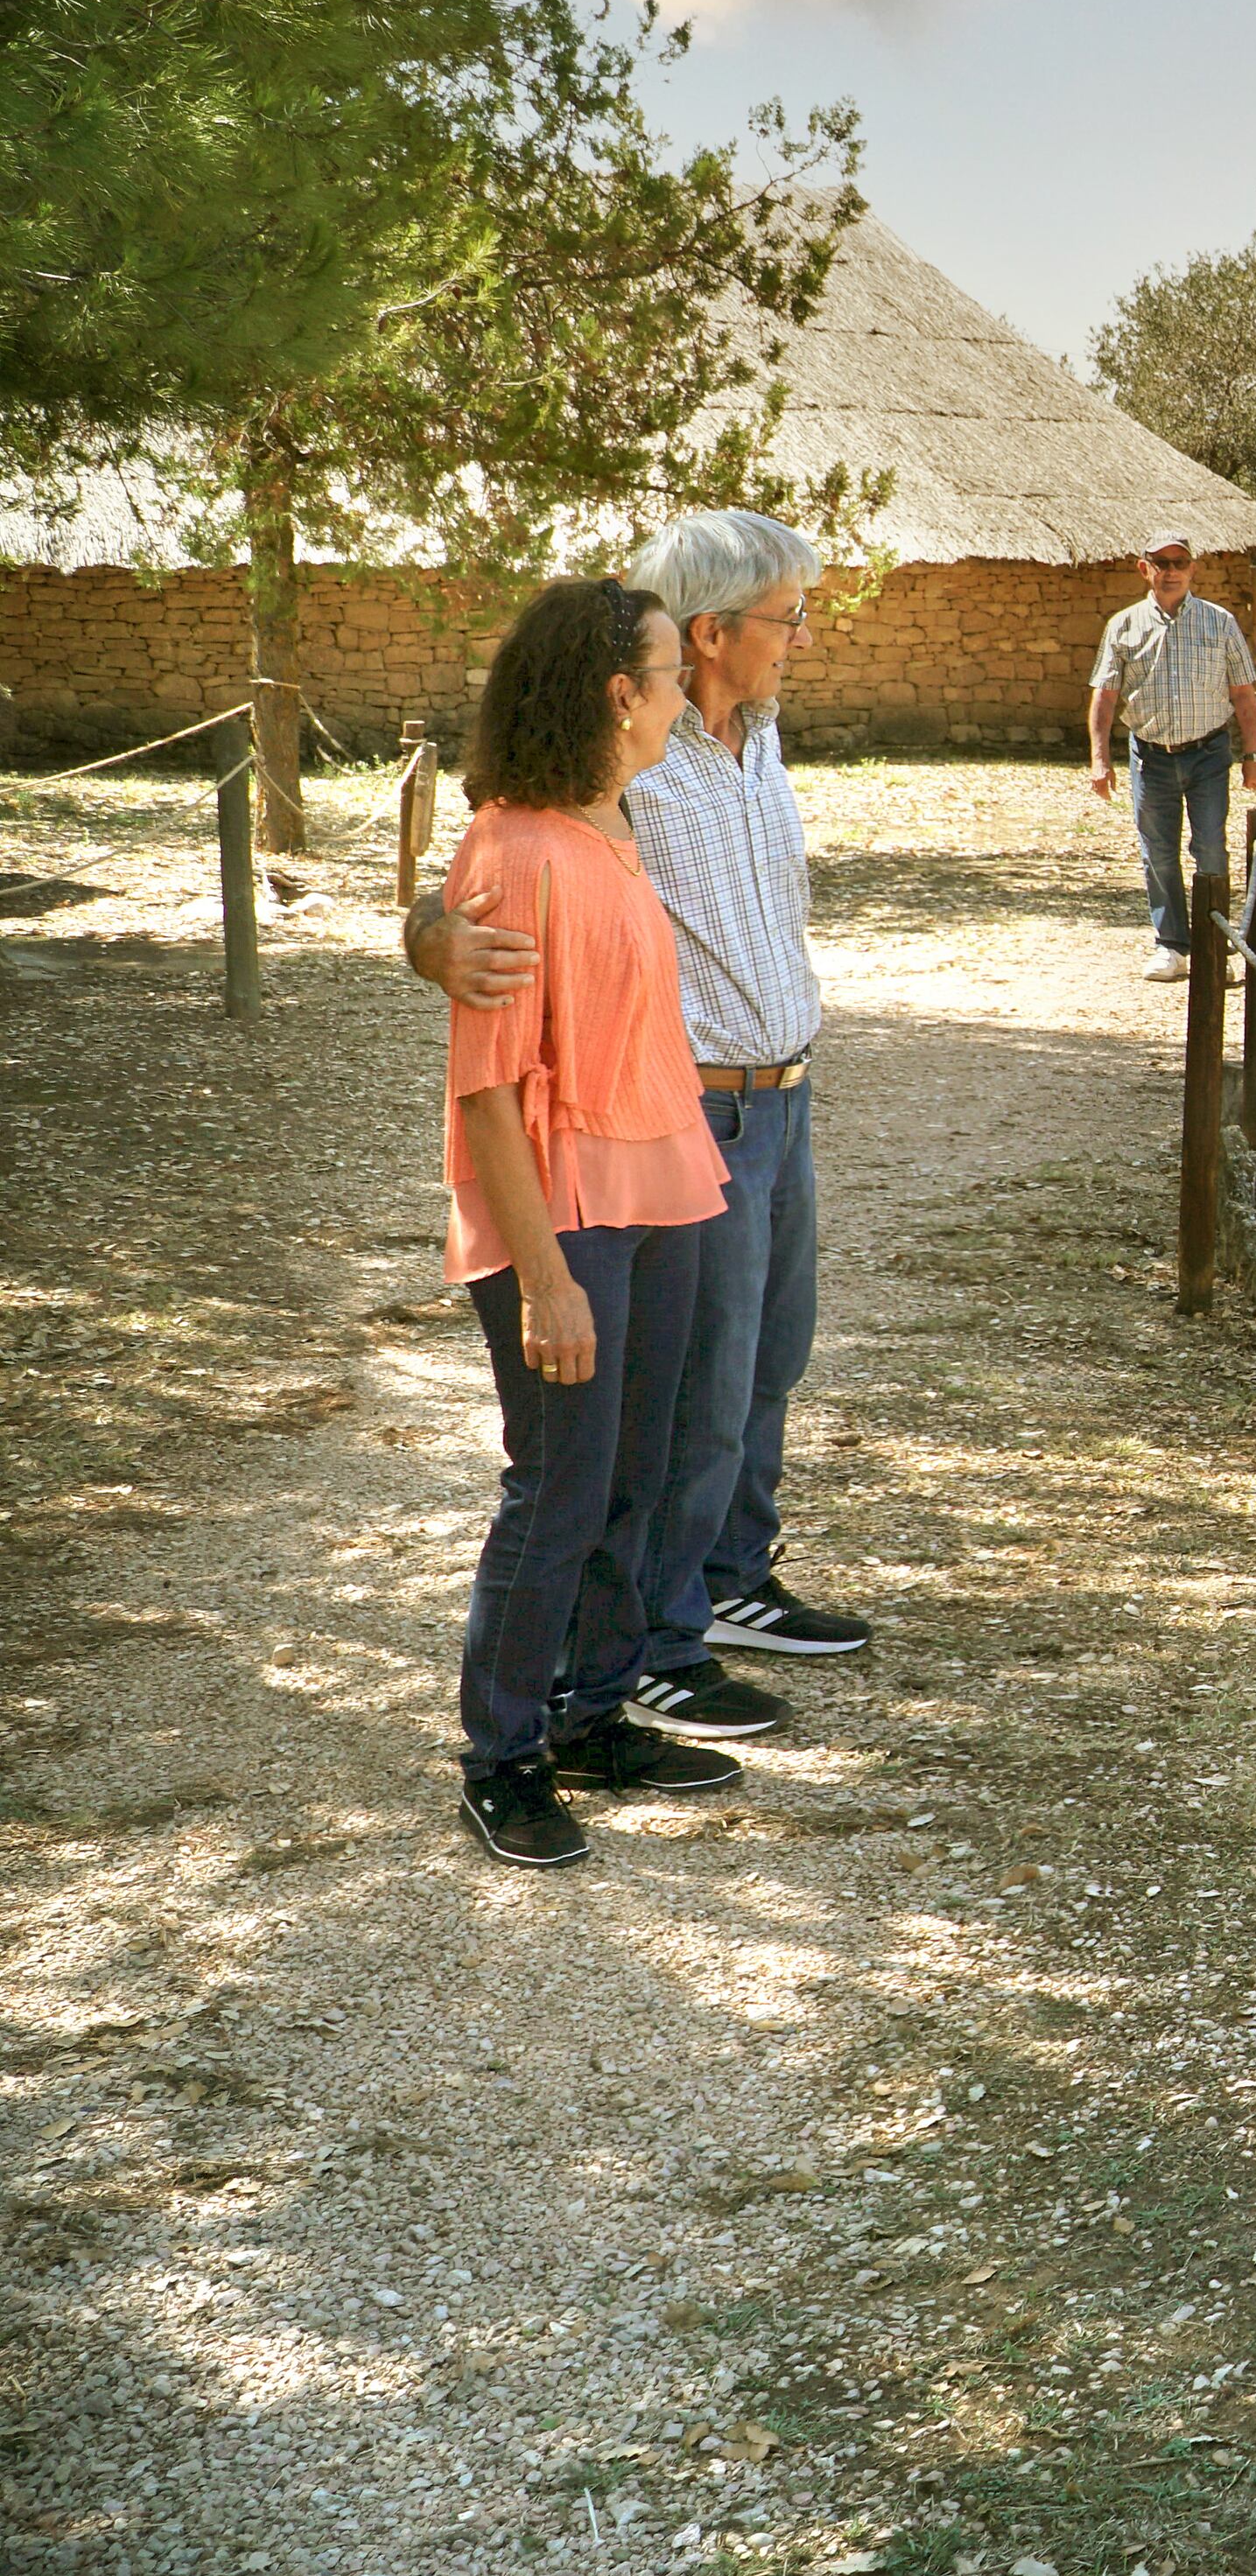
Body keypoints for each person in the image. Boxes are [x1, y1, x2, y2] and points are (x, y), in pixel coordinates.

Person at [408, 508, 875, 1758]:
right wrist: (428, 932)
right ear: (706, 636)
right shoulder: (616, 760)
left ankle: (725, 1583)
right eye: (784, 617)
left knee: (762, 1363)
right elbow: (488, 871)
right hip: (682, 1114)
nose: (802, 638)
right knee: (674, 1408)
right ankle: (648, 1655)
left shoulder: (757, 739)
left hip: (776, 1094)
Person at [439, 577, 747, 1866]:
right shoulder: (513, 850)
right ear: (622, 695)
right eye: (672, 673)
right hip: (564, 1220)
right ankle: (501, 1754)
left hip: (661, 1191)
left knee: (638, 1468)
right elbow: (491, 1091)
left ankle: (593, 1715)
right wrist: (543, 1277)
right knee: (557, 1487)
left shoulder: (612, 826)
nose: (686, 691)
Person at [1086, 532, 1256, 980]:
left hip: (1208, 753)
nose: (1170, 572)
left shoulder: (1219, 623)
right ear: (1143, 569)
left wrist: (1254, 753)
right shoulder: (1123, 626)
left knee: (1210, 847)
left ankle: (1214, 949)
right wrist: (1099, 759)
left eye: (1178, 562)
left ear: (1193, 569)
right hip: (1151, 756)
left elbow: (1244, 695)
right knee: (1158, 852)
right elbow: (1105, 698)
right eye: (1160, 563)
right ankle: (1171, 946)